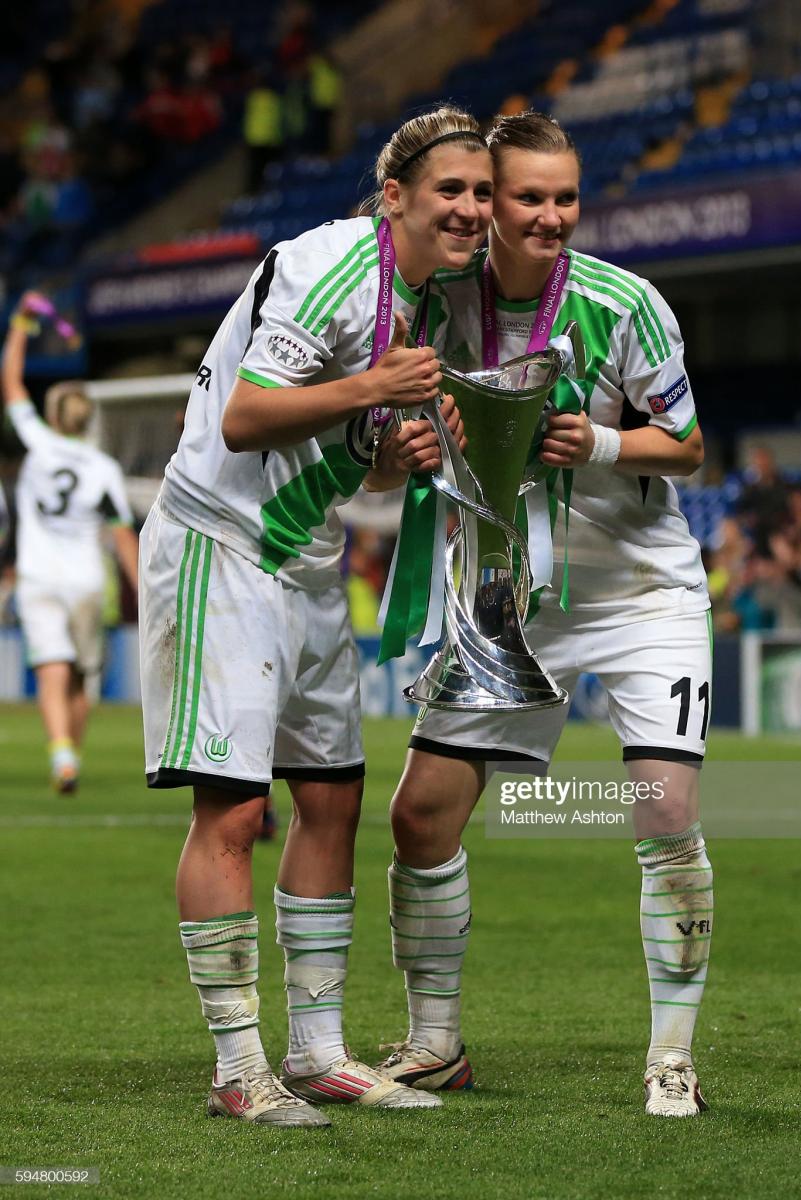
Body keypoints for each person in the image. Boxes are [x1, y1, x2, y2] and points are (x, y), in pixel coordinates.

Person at [138, 106, 492, 1127]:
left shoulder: (419, 301)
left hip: (306, 555)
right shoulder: (331, 264)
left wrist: (396, 456)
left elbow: (344, 449)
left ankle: (322, 1050)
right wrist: (375, 386)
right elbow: (248, 417)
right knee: (236, 812)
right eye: (449, 191)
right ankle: (238, 1068)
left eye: (479, 193)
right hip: (222, 544)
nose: (469, 209)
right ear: (395, 197)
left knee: (331, 800)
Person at [376, 112, 712, 1117]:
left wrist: (600, 446)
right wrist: (404, 449)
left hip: (642, 594)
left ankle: (671, 1060)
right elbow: (401, 422)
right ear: (489, 200)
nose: (552, 216)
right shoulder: (434, 304)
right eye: (530, 198)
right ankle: (435, 1043)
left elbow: (688, 444)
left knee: (665, 815)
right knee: (420, 816)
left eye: (566, 197)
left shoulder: (626, 303)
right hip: (510, 596)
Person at [2, 291, 139, 793]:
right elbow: (122, 536)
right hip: (86, 580)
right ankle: (70, 754)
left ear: (55, 417)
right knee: (82, 675)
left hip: (39, 576)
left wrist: (21, 323)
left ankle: (61, 754)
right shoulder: (104, 469)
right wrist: (143, 591)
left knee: (51, 667)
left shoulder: (37, 445)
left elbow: (10, 383)